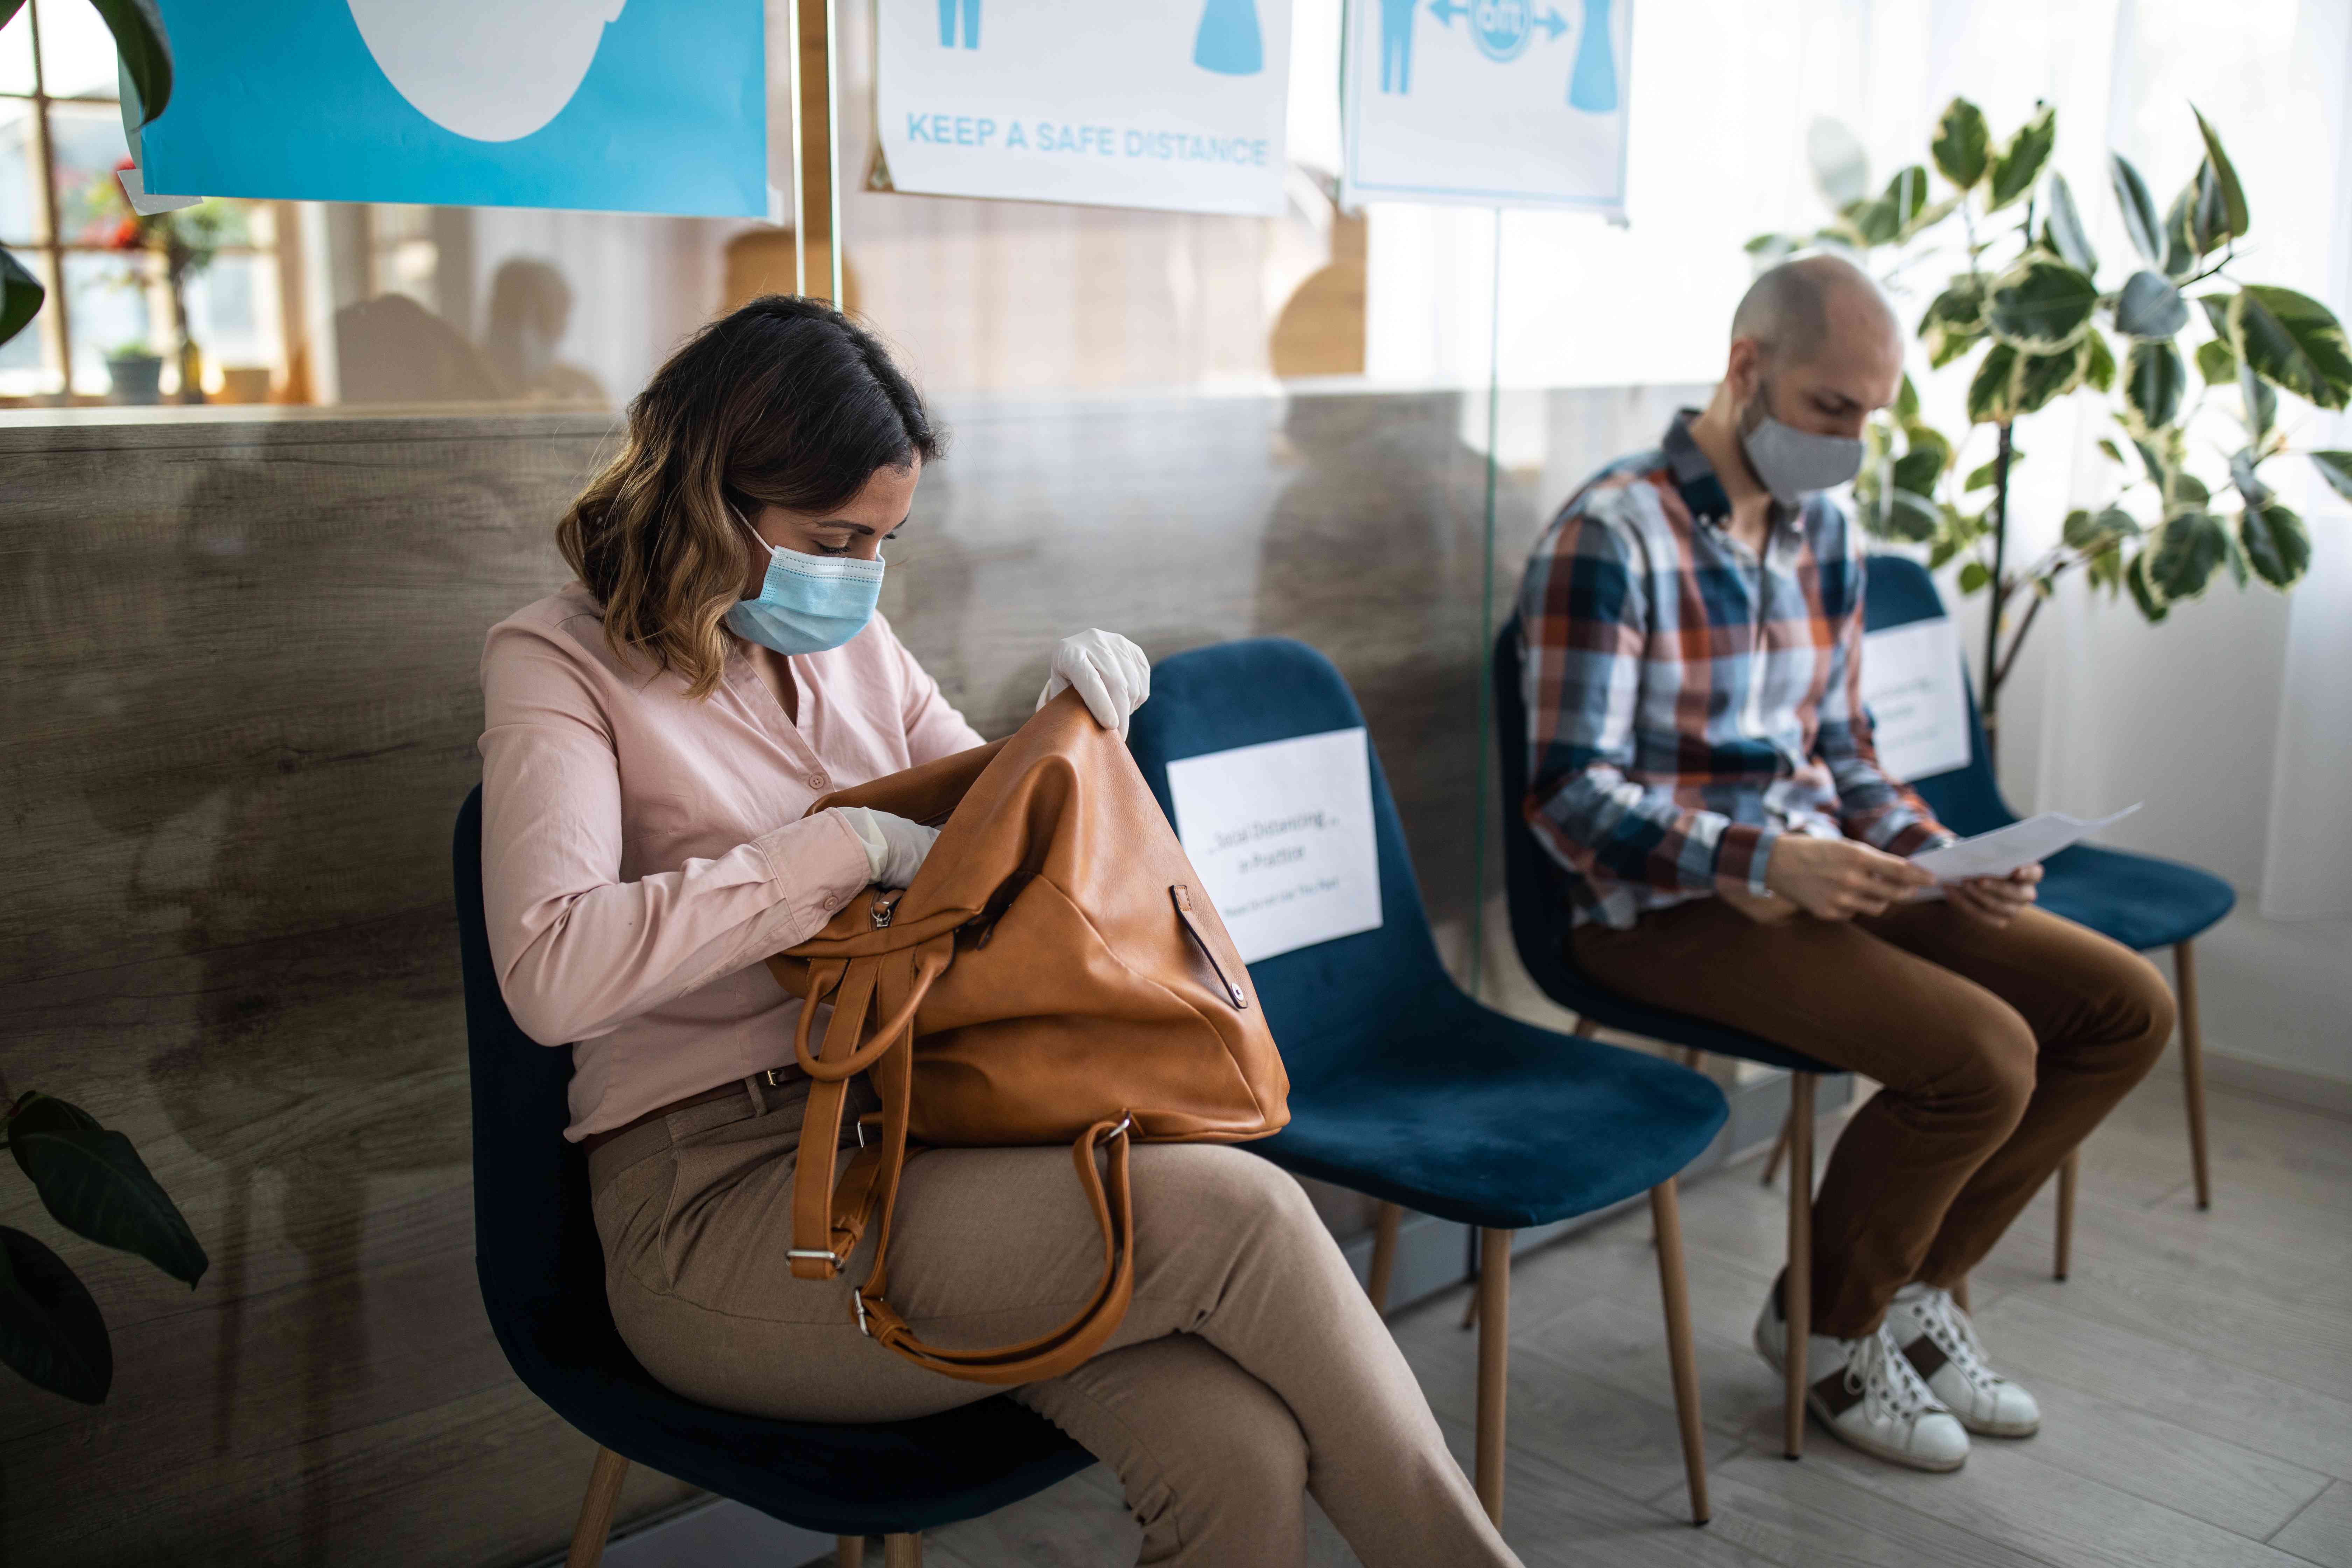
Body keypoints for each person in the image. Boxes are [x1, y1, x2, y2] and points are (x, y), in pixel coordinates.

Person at [478, 296, 1520, 1568]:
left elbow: (992, 858)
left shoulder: (857, 641)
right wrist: (839, 851)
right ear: (711, 492)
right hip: (719, 1208)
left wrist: (1058, 741)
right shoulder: (556, 663)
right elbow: (549, 975)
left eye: (884, 542)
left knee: (1238, 1452)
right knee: (1242, 1216)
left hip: (914, 1139)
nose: (858, 576)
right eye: (833, 537)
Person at [1513, 254, 2175, 1474]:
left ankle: (1912, 1289)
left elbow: (1847, 753)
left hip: (1822, 872)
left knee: (2123, 1006)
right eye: (1832, 409)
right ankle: (1828, 1331)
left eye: (1874, 415)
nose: (1854, 441)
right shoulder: (1612, 537)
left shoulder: (1826, 528)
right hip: (1660, 905)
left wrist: (1943, 858)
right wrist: (1765, 858)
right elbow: (1565, 795)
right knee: (1983, 1056)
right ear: (1746, 367)